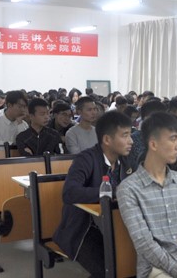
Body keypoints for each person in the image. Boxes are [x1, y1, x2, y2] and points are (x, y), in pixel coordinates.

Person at [117, 112, 177, 278]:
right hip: (157, 269)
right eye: (173, 139)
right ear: (153, 144)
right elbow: (144, 243)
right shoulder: (129, 189)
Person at [53, 111, 135, 278]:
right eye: (125, 135)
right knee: (109, 270)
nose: (131, 141)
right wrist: (113, 191)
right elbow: (69, 192)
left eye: (130, 135)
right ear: (107, 139)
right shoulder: (86, 159)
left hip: (119, 226)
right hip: (83, 229)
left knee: (131, 266)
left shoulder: (127, 160)